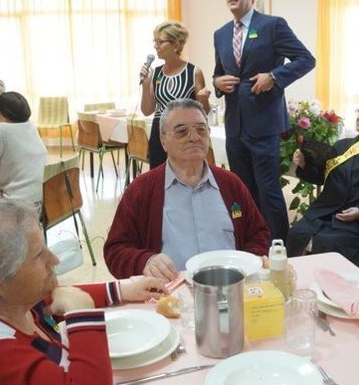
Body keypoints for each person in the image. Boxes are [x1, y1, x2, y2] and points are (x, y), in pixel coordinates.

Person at [0, 199, 168, 385]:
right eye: (38, 255)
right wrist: (82, 316)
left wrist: (121, 290)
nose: (55, 260)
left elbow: (53, 297)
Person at [104, 99, 270, 280]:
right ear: (163, 141)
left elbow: (258, 234)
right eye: (182, 131)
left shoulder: (231, 184)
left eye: (201, 129)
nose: (194, 137)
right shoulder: (141, 191)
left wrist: (246, 265)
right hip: (168, 296)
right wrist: (145, 261)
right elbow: (115, 250)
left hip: (231, 289)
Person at [213, 0, 315, 241]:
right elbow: (218, 73)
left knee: (268, 190)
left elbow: (306, 59)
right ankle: (250, 242)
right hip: (234, 126)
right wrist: (217, 82)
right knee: (242, 191)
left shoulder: (272, 25)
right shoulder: (221, 34)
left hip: (264, 124)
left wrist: (274, 77)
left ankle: (279, 246)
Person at [286, 102, 359, 268]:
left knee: (330, 242)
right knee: (297, 233)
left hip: (356, 216)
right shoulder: (342, 145)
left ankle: (331, 288)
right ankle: (300, 281)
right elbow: (321, 177)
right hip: (325, 209)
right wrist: (304, 165)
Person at [140, 21, 211, 169]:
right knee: (159, 177)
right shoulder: (155, 73)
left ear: (176, 45)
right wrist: (146, 85)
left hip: (184, 133)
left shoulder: (193, 72)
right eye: (155, 41)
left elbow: (204, 111)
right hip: (159, 132)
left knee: (184, 174)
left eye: (160, 41)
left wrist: (204, 100)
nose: (155, 46)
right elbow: (147, 110)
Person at [0, 92, 47, 205]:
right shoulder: (31, 126)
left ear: (3, 113)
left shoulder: (1, 130)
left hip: (20, 205)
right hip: (44, 200)